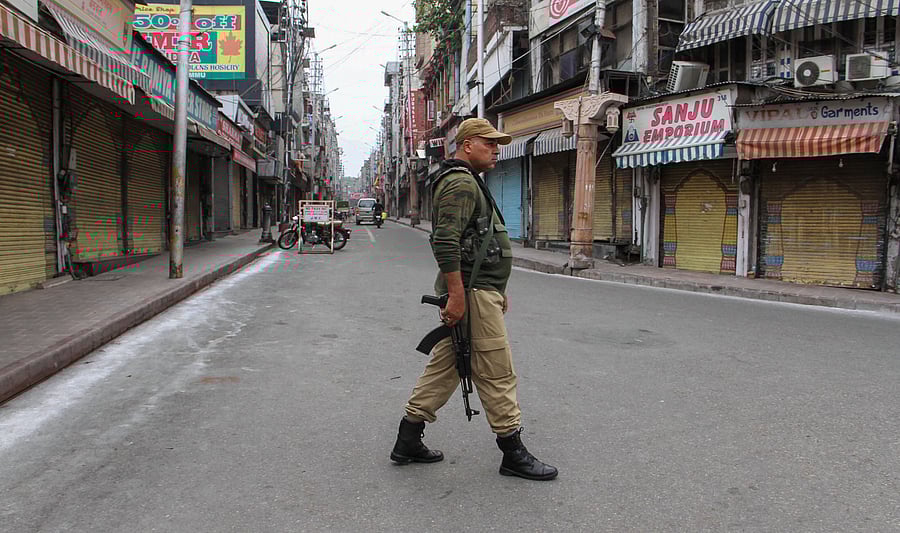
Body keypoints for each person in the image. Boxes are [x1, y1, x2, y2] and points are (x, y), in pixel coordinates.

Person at [389, 118, 558, 481]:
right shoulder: (461, 183)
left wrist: (497, 288)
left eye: (497, 144)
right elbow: (445, 241)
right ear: (467, 145)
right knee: (496, 371)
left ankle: (407, 440)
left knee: (447, 367)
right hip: (471, 294)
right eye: (489, 143)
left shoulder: (470, 182)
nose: (496, 150)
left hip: (480, 292)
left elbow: (478, 242)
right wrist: (458, 294)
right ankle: (512, 452)